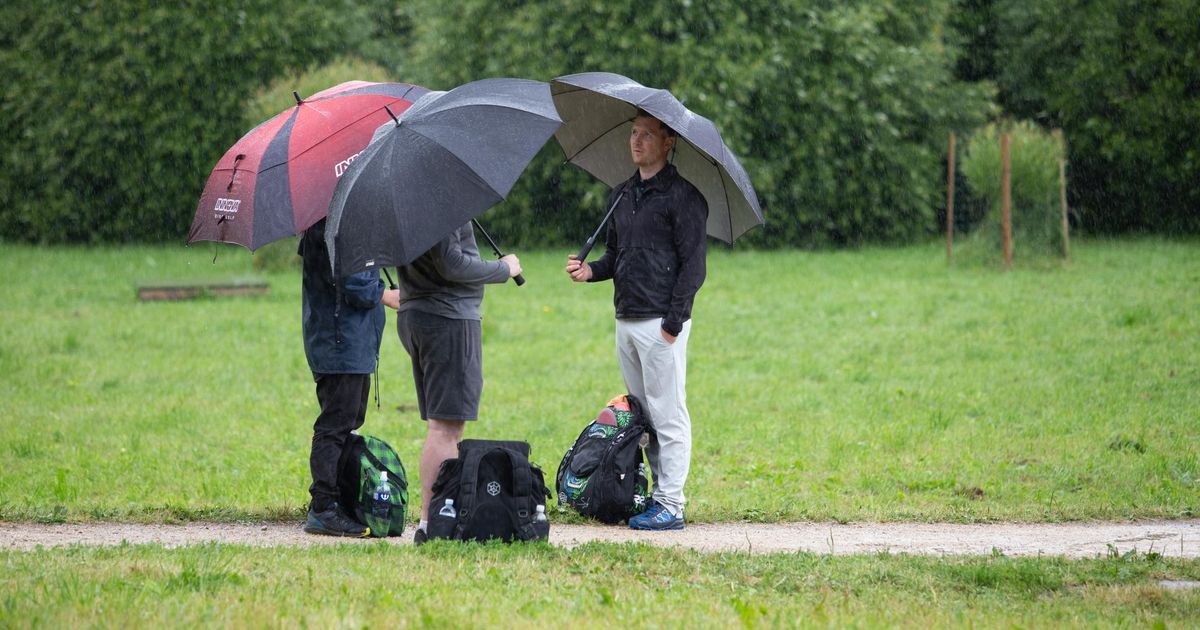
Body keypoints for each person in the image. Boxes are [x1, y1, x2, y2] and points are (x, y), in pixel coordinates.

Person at [565, 109, 708, 531]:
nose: (637, 141)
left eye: (647, 134)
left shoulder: (684, 198)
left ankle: (672, 503)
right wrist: (590, 271)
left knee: (669, 414)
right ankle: (655, 495)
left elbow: (693, 268)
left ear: (668, 143)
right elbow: (615, 256)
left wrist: (673, 323)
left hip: (660, 324)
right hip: (624, 319)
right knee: (643, 418)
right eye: (633, 133)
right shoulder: (621, 195)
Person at [394, 223, 522, 544]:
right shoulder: (439, 196)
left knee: (441, 426)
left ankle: (432, 520)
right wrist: (502, 268)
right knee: (445, 429)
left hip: (417, 312)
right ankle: (434, 525)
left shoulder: (407, 196)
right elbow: (451, 263)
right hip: (447, 318)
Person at [299, 218, 400, 536]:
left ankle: (338, 500)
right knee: (336, 423)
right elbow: (355, 284)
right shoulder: (337, 225)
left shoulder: (337, 221)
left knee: (349, 418)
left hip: (348, 342)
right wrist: (386, 294)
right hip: (340, 342)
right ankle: (323, 508)